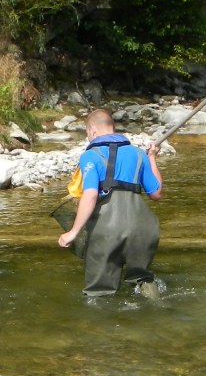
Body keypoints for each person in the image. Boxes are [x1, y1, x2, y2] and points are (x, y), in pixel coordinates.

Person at [58, 108, 163, 296]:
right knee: (142, 280)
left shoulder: (90, 156)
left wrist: (73, 232)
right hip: (143, 228)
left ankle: (98, 323)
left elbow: (90, 195)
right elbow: (156, 193)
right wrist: (152, 158)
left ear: (92, 131)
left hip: (107, 231)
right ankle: (160, 312)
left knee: (99, 292)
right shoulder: (139, 155)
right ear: (113, 128)